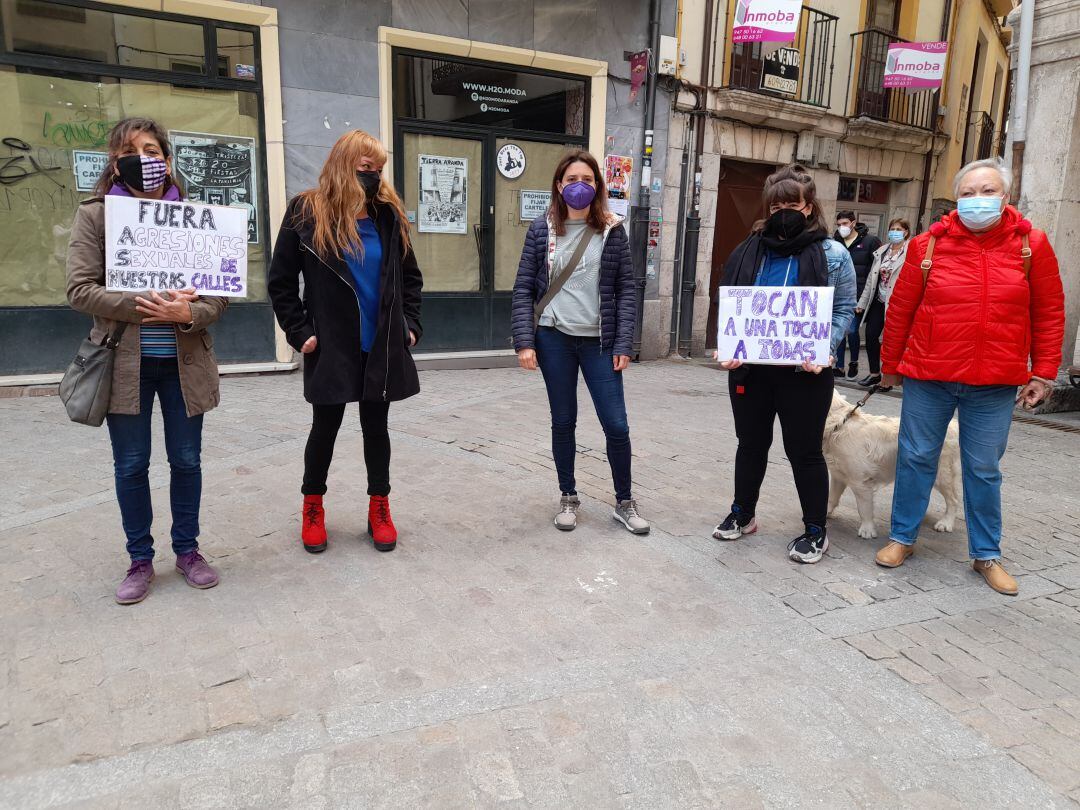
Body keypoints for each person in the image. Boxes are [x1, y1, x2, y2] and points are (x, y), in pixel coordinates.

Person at [877, 157, 1065, 594]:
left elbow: (1049, 311)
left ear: (1006, 197)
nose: (977, 200)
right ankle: (902, 538)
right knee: (916, 457)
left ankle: (986, 554)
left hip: (995, 382)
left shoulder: (1030, 245)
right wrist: (889, 367)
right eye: (968, 193)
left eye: (988, 191)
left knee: (983, 468)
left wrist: (1044, 372)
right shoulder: (926, 246)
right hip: (930, 374)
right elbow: (901, 309)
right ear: (955, 199)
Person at [66, 117, 227, 604]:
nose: (144, 158)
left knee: (187, 459)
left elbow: (219, 296)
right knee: (132, 464)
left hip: (184, 363)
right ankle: (139, 559)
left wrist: (187, 312)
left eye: (153, 149)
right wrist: (145, 302)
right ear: (117, 162)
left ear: (167, 159)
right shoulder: (97, 216)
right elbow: (79, 289)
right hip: (124, 365)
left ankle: (188, 551)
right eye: (132, 150)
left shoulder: (197, 219)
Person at [268, 130, 422, 554]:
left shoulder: (388, 215)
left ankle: (379, 508)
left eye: (378, 168)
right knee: (326, 428)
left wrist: (410, 324)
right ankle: (312, 507)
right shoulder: (305, 211)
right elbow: (280, 282)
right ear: (342, 164)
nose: (373, 175)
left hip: (381, 342)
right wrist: (300, 333)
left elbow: (410, 278)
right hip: (332, 342)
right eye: (364, 167)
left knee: (377, 428)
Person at [712, 164, 856, 564]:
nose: (783, 212)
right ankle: (743, 512)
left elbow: (844, 307)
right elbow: (736, 306)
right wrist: (729, 344)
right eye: (776, 206)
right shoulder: (748, 248)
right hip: (751, 370)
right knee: (751, 444)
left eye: (792, 204)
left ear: (809, 207)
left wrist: (825, 348)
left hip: (805, 374)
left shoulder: (833, 254)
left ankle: (815, 530)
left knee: (804, 451)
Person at [511, 149, 649, 535]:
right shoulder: (541, 230)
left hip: (600, 344)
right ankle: (568, 496)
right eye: (571, 180)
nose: (579, 186)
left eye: (587, 180)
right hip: (553, 338)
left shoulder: (612, 230)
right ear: (559, 185)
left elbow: (625, 289)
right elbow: (523, 288)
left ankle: (624, 501)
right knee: (563, 420)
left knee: (616, 425)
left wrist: (624, 343)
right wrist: (525, 341)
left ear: (598, 186)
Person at [854, 217, 910, 387]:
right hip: (879, 300)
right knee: (871, 335)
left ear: (906, 232)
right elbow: (872, 279)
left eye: (899, 229)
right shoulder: (883, 251)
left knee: (893, 340)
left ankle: (891, 377)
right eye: (893, 229)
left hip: (898, 303)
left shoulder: (912, 251)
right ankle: (874, 373)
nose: (895, 232)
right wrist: (861, 303)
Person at [833, 210, 882, 379]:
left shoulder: (870, 241)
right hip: (838, 294)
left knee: (852, 330)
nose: (842, 227)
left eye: (845, 224)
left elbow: (875, 270)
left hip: (858, 294)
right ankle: (839, 366)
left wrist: (865, 297)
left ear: (853, 223)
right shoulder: (835, 242)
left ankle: (853, 362)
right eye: (839, 225)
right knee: (839, 329)